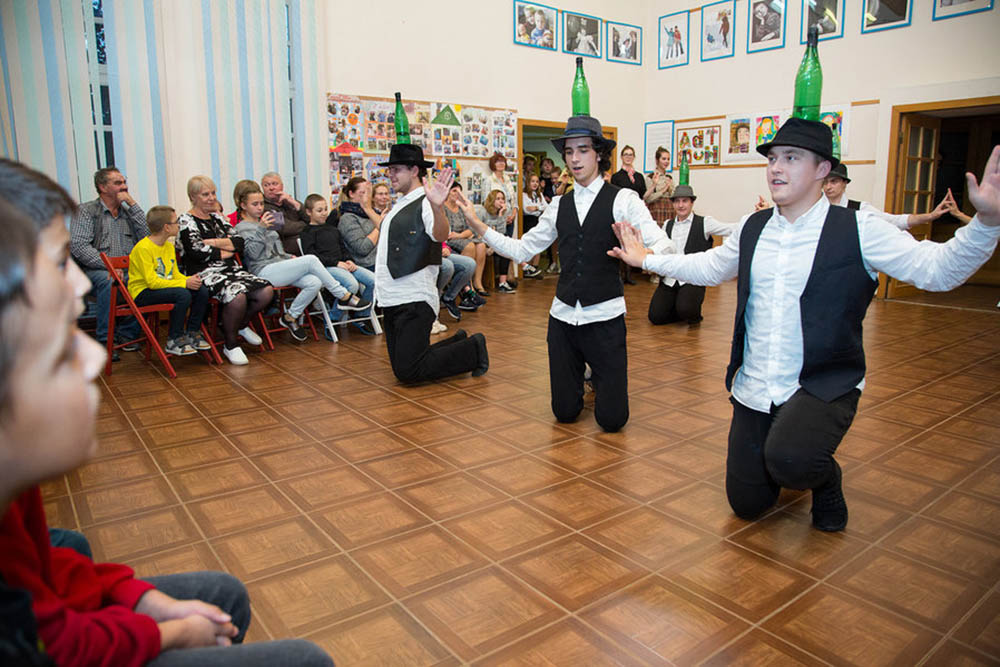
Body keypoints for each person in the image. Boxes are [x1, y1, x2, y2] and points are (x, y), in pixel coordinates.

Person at [610, 119, 1000, 531]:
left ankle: (824, 476)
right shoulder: (753, 228)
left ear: (822, 170)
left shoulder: (859, 228)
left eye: (792, 158)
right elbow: (709, 266)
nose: (776, 168)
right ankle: (788, 451)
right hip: (756, 386)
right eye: (773, 159)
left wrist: (987, 222)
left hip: (823, 383)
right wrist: (647, 260)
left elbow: (937, 270)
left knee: (792, 461)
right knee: (746, 504)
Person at [0, 189, 336, 667]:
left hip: (66, 615)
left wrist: (137, 596)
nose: (91, 359)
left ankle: (208, 332)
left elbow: (43, 570)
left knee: (223, 591)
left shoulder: (13, 476)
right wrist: (168, 632)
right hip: (71, 649)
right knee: (305, 658)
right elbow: (54, 642)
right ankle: (208, 335)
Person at [455, 115, 670, 432]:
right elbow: (522, 250)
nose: (575, 159)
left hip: (605, 317)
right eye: (569, 152)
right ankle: (583, 375)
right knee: (565, 412)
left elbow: (662, 243)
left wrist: (646, 258)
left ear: (599, 153)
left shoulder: (623, 200)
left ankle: (597, 374)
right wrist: (477, 225)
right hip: (564, 318)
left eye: (583, 150)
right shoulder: (558, 205)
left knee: (612, 420)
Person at [374, 143, 489, 382]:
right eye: (390, 170)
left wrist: (438, 208)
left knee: (408, 371)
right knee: (404, 366)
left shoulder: (426, 202)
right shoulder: (402, 203)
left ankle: (473, 349)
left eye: (396, 169)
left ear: (414, 170)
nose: (390, 175)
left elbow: (440, 234)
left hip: (412, 297)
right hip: (393, 296)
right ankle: (459, 343)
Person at [232, 180, 369, 342]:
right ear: (243, 205)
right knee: (311, 259)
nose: (260, 207)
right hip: (262, 271)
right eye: (255, 204)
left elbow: (277, 249)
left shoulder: (267, 222)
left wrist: (288, 257)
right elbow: (253, 254)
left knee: (315, 282)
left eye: (261, 203)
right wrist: (261, 229)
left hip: (279, 267)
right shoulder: (241, 228)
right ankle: (343, 295)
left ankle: (290, 316)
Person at [174, 176, 274, 366]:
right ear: (193, 197)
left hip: (231, 270)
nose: (212, 198)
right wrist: (226, 250)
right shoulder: (186, 220)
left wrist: (212, 243)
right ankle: (231, 344)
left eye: (213, 193)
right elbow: (196, 252)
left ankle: (240, 324)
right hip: (203, 273)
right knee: (237, 295)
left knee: (266, 291)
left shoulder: (217, 217)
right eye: (205, 194)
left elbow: (239, 242)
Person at [70, 166, 147, 355]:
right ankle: (106, 340)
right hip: (96, 270)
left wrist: (134, 205)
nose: (124, 187)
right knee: (109, 280)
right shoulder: (86, 211)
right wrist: (109, 266)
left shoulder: (129, 212)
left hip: (128, 269)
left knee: (149, 280)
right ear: (102, 187)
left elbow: (148, 240)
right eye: (118, 183)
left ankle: (127, 334)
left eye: (124, 182)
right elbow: (79, 247)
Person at [647, 184, 739, 326]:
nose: (681, 205)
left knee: (687, 310)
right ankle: (677, 308)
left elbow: (730, 228)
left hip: (693, 277)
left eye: (685, 201)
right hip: (670, 278)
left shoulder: (705, 223)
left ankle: (687, 310)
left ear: (692, 203)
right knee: (656, 317)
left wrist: (757, 218)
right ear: (673, 204)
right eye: (677, 201)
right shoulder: (667, 225)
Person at [128, 206, 212, 356]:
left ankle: (193, 332)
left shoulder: (168, 246)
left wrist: (189, 280)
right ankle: (174, 339)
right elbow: (152, 282)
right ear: (166, 227)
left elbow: (174, 274)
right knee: (182, 294)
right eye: (176, 222)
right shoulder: (143, 248)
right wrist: (184, 283)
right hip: (143, 292)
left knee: (201, 290)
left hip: (163, 288)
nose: (179, 225)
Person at [299, 194, 377, 336]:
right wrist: (336, 263)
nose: (324, 213)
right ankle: (333, 318)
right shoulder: (307, 232)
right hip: (325, 268)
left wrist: (349, 260)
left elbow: (343, 248)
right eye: (319, 210)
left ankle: (361, 315)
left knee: (374, 281)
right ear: (309, 212)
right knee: (352, 284)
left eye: (325, 209)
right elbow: (312, 256)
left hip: (343, 265)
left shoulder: (333, 229)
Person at [823, 163, 950, 229]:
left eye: (834, 182)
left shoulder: (859, 208)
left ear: (844, 183)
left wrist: (930, 216)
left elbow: (893, 221)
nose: (828, 187)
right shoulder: (817, 207)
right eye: (825, 182)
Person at [442, 183, 488, 308]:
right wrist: (459, 236)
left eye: (459, 191)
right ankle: (468, 288)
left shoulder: (461, 208)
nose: (457, 194)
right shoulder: (442, 208)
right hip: (450, 239)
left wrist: (461, 235)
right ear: (447, 192)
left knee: (481, 246)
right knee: (470, 246)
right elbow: (447, 232)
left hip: (461, 236)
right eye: (454, 191)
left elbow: (471, 229)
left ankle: (477, 283)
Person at [338, 177, 382, 271]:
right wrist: (379, 226)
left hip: (381, 260)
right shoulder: (347, 218)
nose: (367, 197)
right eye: (363, 193)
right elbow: (362, 248)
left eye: (369, 193)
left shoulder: (372, 213)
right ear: (351, 194)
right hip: (367, 266)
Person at [259, 171, 308, 254]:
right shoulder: (264, 207)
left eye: (274, 184)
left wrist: (295, 204)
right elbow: (284, 229)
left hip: (305, 244)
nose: (271, 188)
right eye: (266, 185)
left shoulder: (290, 201)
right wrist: (307, 225)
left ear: (282, 186)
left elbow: (311, 218)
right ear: (262, 188)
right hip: (285, 251)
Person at [481, 190, 517, 293]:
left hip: (494, 244)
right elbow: (481, 231)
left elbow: (501, 232)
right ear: (492, 200)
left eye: (502, 199)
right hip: (483, 242)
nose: (501, 201)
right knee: (504, 248)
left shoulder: (502, 213)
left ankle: (502, 283)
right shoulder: (483, 212)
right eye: (498, 199)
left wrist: (501, 214)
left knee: (506, 250)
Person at [521, 174, 548, 278]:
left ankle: (535, 267)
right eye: (532, 181)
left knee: (538, 244)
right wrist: (540, 207)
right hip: (528, 221)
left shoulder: (539, 194)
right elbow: (526, 209)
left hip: (538, 220)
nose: (535, 184)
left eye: (537, 181)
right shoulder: (523, 195)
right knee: (530, 244)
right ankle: (527, 268)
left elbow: (546, 207)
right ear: (528, 183)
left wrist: (536, 208)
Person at [644, 147, 674, 227]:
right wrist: (664, 190)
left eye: (668, 159)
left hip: (670, 210)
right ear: (657, 160)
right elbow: (648, 199)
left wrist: (670, 188)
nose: (666, 161)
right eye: (663, 159)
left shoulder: (669, 177)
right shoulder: (650, 177)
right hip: (656, 211)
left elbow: (673, 196)